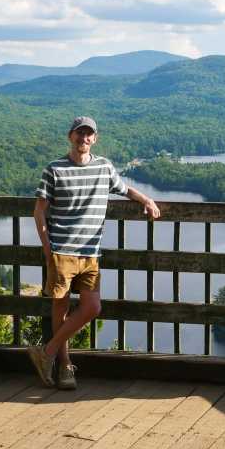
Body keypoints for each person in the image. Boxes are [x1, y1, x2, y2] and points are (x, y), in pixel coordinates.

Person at [27, 115, 160, 389]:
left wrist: (146, 200)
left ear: (94, 139)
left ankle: (46, 352)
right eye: (79, 134)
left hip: (90, 253)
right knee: (60, 309)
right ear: (70, 136)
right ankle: (64, 367)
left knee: (92, 307)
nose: (83, 139)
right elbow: (39, 211)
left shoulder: (104, 167)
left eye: (89, 134)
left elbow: (124, 190)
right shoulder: (54, 169)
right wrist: (47, 247)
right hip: (61, 251)